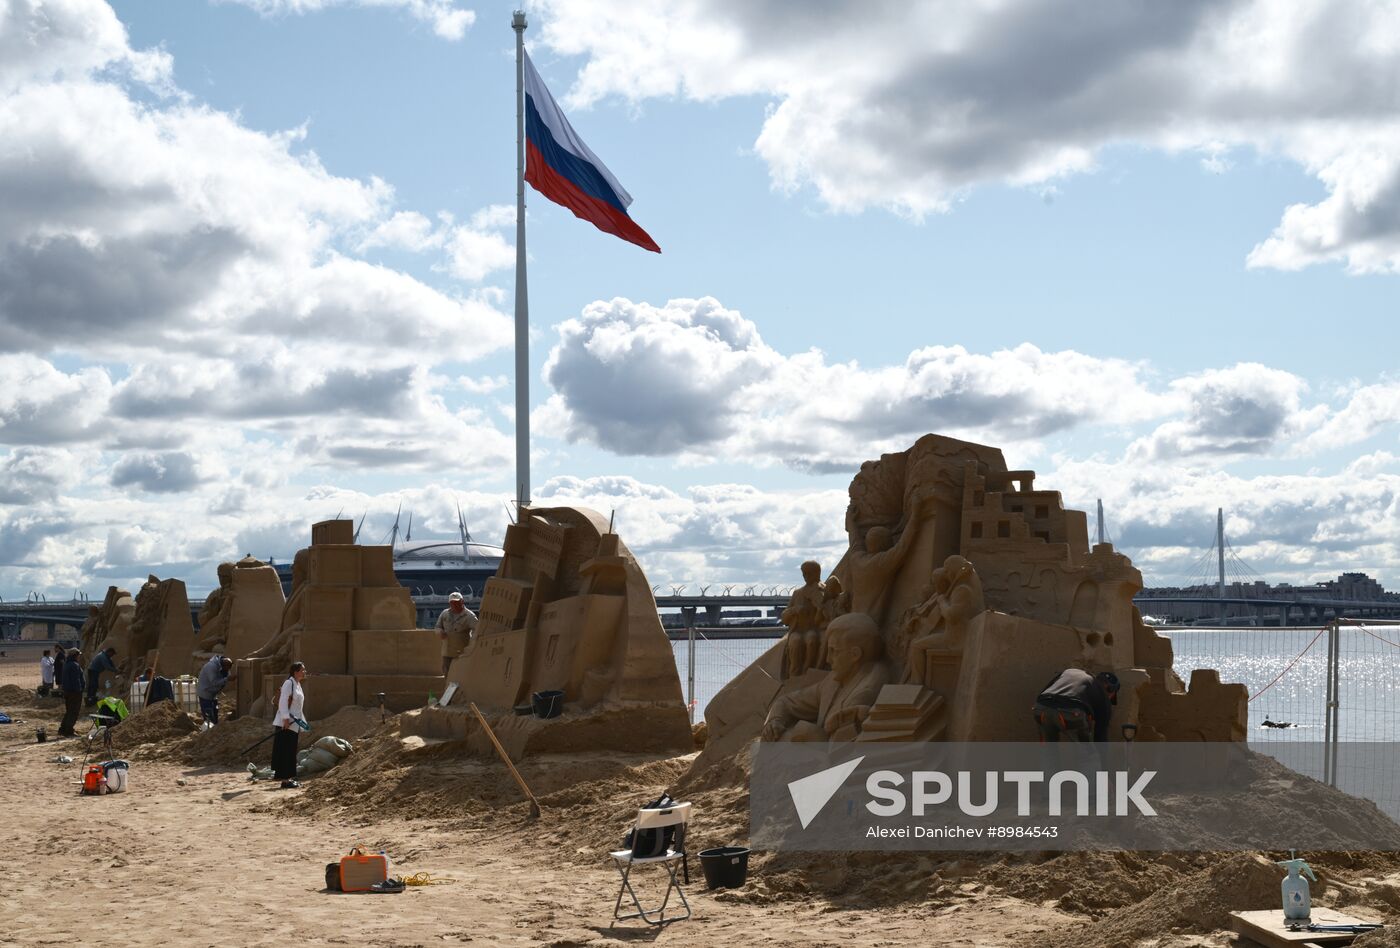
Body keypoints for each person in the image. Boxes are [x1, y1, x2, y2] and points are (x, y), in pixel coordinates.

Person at [1032, 668, 1119, 743]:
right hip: (1070, 711)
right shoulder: (1104, 697)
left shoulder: (1069, 671)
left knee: (1049, 752)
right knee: (1086, 754)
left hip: (1040, 708)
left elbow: (1044, 692)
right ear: (1111, 692)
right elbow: (1101, 737)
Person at [272, 662, 308, 789]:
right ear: (295, 672)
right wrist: (286, 720)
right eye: (303, 670)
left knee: (290, 751)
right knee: (285, 751)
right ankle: (285, 780)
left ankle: (288, 778)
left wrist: (302, 723)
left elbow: (298, 707)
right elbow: (283, 702)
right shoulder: (289, 683)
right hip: (286, 724)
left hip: (294, 724)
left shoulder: (297, 684)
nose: (305, 672)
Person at [435, 591, 477, 677]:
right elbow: (437, 627)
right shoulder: (445, 613)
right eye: (452, 603)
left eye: (457, 602)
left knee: (460, 676)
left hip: (461, 654)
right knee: (447, 676)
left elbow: (477, 631)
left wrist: (471, 646)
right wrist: (440, 632)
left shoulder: (469, 616)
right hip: (447, 652)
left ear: (462, 601)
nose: (455, 605)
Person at [196, 655, 236, 725]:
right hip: (205, 693)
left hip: (213, 694)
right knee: (209, 715)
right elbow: (214, 682)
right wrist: (227, 679)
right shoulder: (211, 667)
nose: (228, 670)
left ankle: (214, 727)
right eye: (226, 668)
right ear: (222, 665)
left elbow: (226, 675)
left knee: (215, 713)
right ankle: (208, 729)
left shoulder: (224, 667)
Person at [57, 649, 85, 738]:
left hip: (68, 691)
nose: (79, 657)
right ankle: (68, 731)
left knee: (69, 711)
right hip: (74, 692)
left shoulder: (67, 664)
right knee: (73, 712)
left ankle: (63, 729)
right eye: (78, 655)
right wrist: (79, 690)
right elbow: (76, 680)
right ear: (75, 655)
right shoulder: (74, 665)